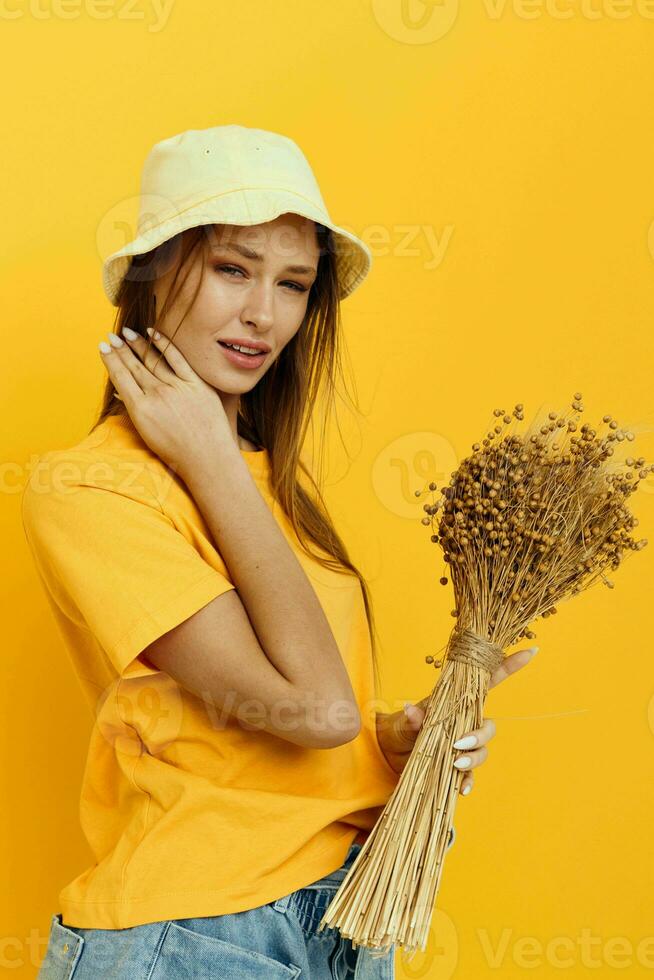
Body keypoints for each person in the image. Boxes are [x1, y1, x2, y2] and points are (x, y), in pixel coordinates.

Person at [22, 124, 533, 979]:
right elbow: (313, 712)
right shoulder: (89, 489)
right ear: (155, 278)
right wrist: (213, 461)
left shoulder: (272, 484)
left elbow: (288, 721)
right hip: (196, 934)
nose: (265, 314)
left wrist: (390, 742)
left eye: (293, 285)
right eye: (233, 269)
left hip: (348, 917)